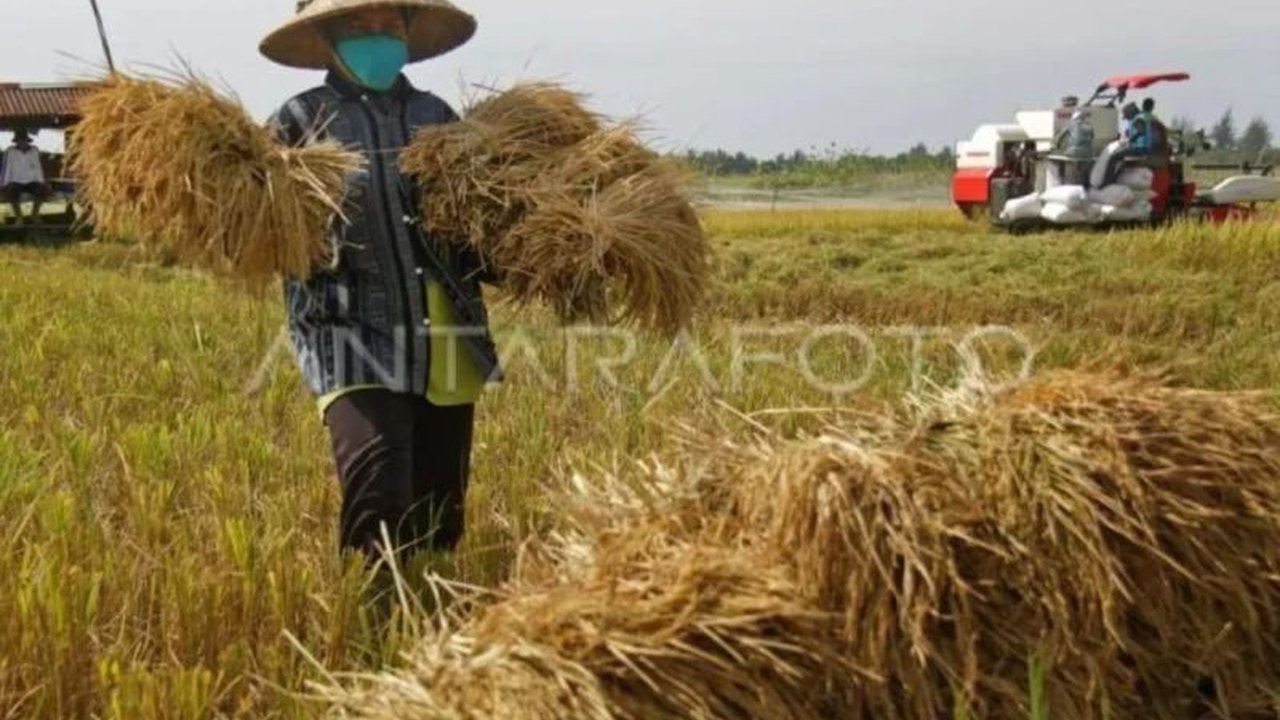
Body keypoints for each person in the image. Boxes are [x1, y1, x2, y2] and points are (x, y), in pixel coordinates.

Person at [261, 0, 501, 565]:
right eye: (358, 25)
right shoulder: (298, 121)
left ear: (408, 31)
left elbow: (476, 223)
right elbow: (258, 229)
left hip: (443, 327)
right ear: (328, 36)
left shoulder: (437, 117)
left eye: (390, 24)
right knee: (380, 488)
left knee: (440, 504)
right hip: (346, 326)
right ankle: (374, 626)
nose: (378, 36)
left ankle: (435, 622)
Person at [2, 130, 50, 224]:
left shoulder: (34, 150)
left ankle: (34, 214)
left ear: (27, 141)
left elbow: (38, 167)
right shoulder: (11, 151)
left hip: (32, 180)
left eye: (24, 140)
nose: (22, 142)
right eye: (20, 140)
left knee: (43, 190)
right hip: (16, 180)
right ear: (17, 141)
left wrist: (43, 182)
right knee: (10, 192)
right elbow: (7, 167)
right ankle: (19, 217)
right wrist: (4, 183)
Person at [1054, 110, 1095, 186]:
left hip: (1074, 151)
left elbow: (1060, 136)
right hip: (1088, 152)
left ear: (1074, 118)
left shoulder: (1070, 124)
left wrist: (1057, 145)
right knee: (1084, 166)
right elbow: (1092, 137)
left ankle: (1061, 180)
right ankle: (1085, 183)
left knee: (1060, 160)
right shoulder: (1089, 126)